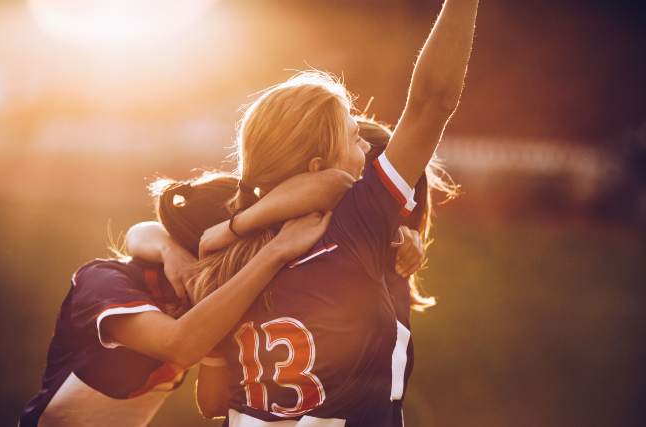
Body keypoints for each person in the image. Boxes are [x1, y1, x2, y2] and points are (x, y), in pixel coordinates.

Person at [169, 1, 479, 425]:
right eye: (354, 140)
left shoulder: (227, 236)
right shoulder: (354, 222)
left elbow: (212, 403)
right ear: (318, 166)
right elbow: (432, 101)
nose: (368, 149)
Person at [18, 173, 339, 427]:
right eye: (239, 261)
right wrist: (275, 252)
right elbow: (180, 344)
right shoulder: (104, 283)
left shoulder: (196, 300)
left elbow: (212, 404)